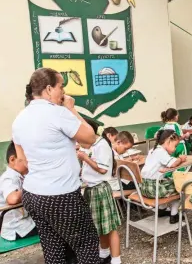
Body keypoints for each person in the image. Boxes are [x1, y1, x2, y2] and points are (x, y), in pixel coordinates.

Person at [12, 68, 100, 264]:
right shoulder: (59, 113)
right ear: (49, 89)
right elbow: (91, 138)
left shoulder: (19, 119)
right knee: (86, 245)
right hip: (61, 195)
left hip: (33, 194)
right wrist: (70, 108)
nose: (64, 93)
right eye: (62, 87)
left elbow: (23, 164)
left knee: (53, 247)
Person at [78, 126, 122, 264]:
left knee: (110, 226)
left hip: (100, 189)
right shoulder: (93, 145)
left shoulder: (102, 145)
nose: (79, 143)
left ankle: (116, 259)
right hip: (92, 189)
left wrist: (85, 158)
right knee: (100, 225)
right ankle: (104, 253)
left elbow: (102, 169)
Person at [141, 129, 186, 224]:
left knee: (168, 181)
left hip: (143, 187)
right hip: (154, 189)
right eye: (175, 145)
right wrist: (180, 159)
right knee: (181, 186)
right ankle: (174, 214)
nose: (175, 148)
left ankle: (162, 209)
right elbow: (173, 163)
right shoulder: (161, 152)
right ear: (168, 142)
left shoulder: (153, 150)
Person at [0, 141, 36, 241]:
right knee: (53, 225)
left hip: (25, 222)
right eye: (26, 160)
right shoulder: (8, 178)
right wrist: (32, 187)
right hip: (17, 228)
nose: (29, 163)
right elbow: (13, 198)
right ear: (12, 159)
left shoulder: (20, 176)